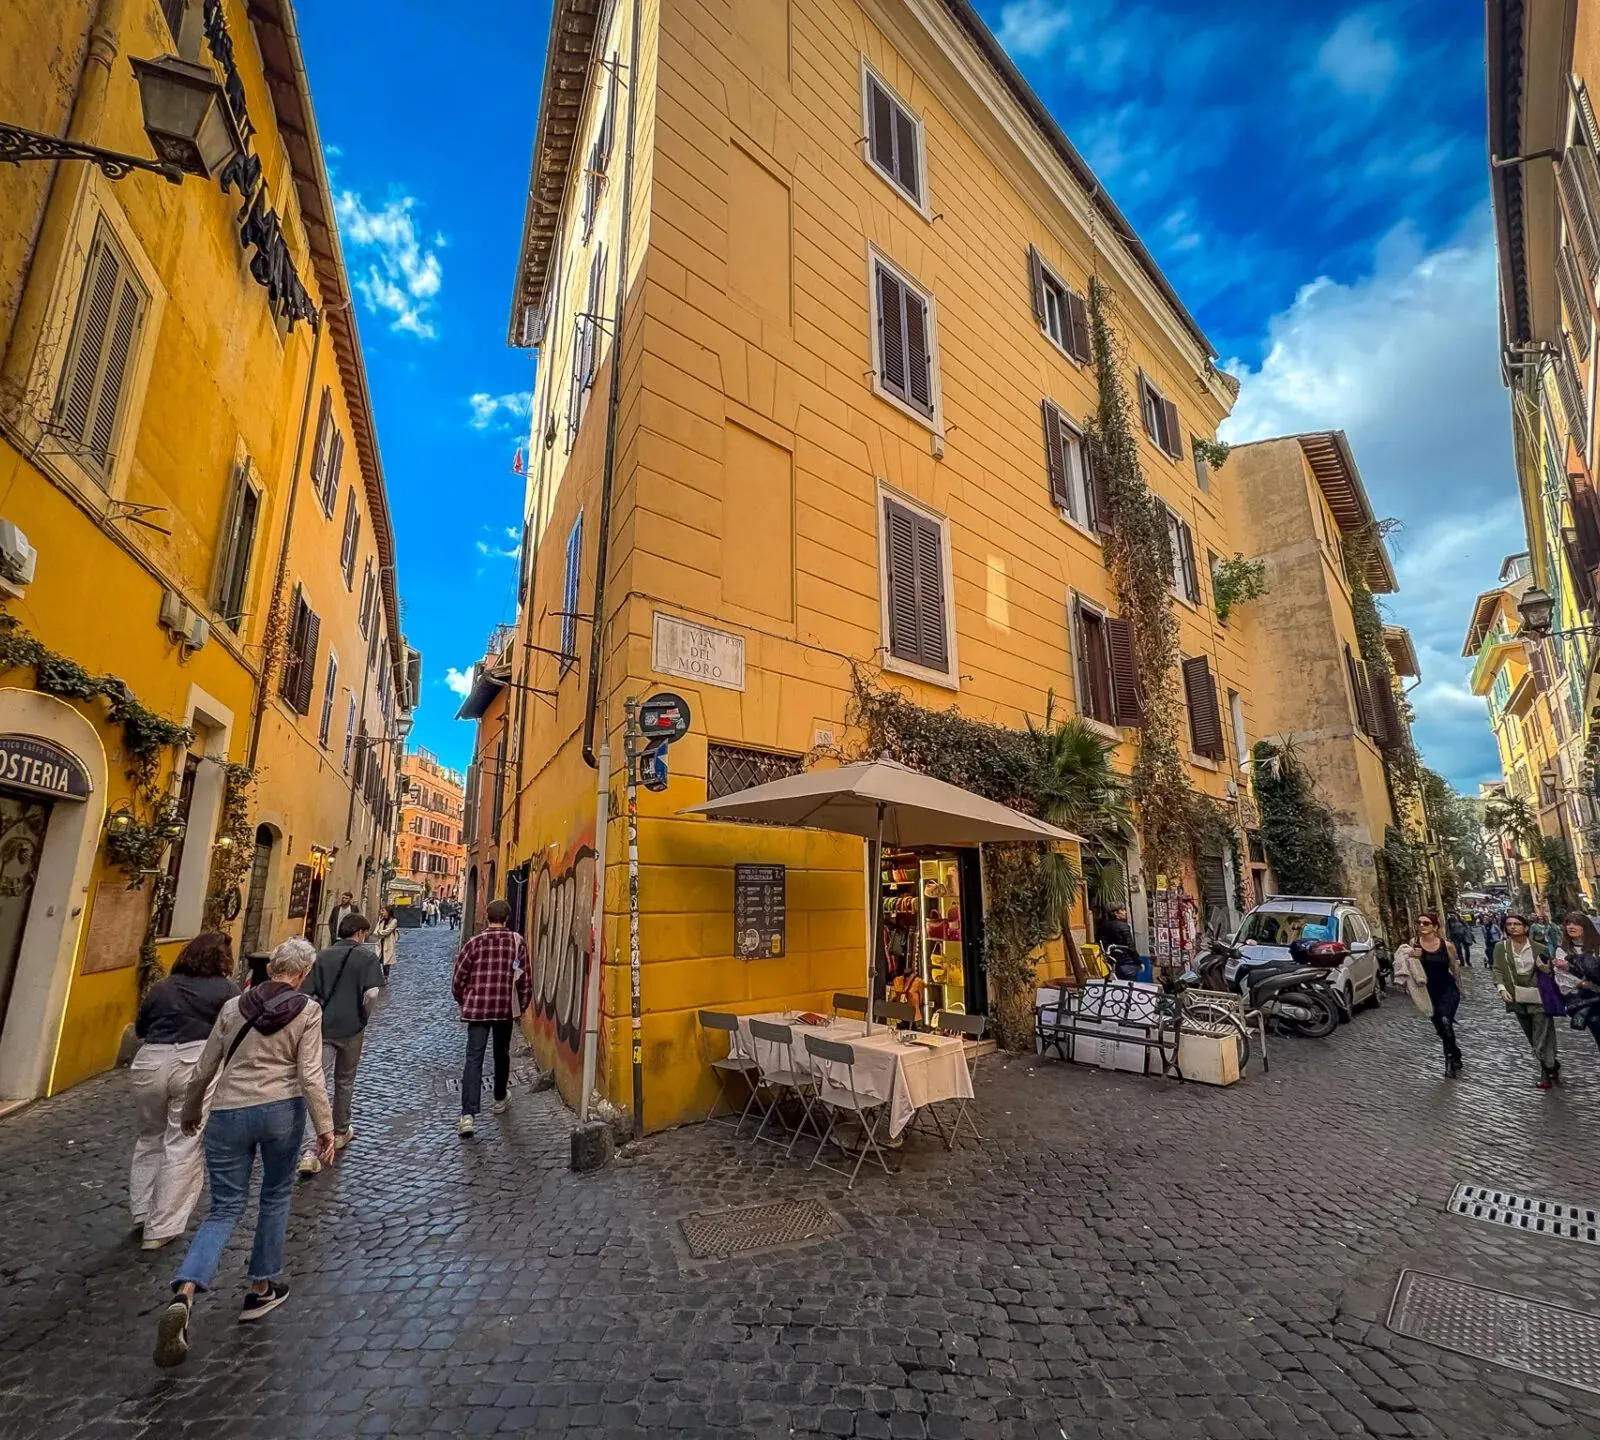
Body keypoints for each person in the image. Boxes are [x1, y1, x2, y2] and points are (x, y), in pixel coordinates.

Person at [153, 937, 333, 1368]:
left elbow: (205, 1067)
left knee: (223, 1208)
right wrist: (325, 1129)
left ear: (272, 969)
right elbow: (310, 1074)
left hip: (229, 1112)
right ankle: (260, 1289)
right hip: (280, 1113)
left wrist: (192, 1111)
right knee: (274, 1197)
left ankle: (186, 1290)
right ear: (303, 973)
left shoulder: (234, 1008)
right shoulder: (307, 1011)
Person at [129, 932, 240, 1249]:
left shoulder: (163, 987)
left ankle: (141, 1210)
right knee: (183, 1141)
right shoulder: (225, 990)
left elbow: (141, 1028)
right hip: (194, 1062)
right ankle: (162, 1225)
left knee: (150, 1136)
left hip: (150, 1062)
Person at [298, 913, 386, 1174]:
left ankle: (310, 1149)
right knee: (345, 1080)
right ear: (359, 933)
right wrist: (363, 1016)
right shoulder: (367, 957)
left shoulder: (321, 956)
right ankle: (339, 1131)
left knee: (317, 1083)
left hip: (323, 1028)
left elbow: (307, 994)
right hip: (352, 1028)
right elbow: (371, 994)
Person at [450, 898, 531, 1136]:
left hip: (478, 1009)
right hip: (504, 1007)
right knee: (501, 1054)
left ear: (487, 916)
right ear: (507, 918)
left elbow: (458, 977)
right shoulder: (517, 943)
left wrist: (462, 1000)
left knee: (473, 1058)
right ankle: (499, 1097)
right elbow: (524, 979)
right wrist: (522, 1007)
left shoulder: (474, 943)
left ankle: (467, 1115)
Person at [1493, 913, 1562, 1089]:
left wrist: (1547, 968)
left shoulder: (1539, 947)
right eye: (1509, 924)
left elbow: (1550, 970)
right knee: (1531, 1034)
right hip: (1516, 995)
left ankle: (1545, 1072)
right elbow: (1498, 970)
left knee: (1541, 1032)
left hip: (1539, 996)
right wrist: (1501, 988)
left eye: (1517, 924)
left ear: (1525, 928)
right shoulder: (1502, 948)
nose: (1512, 927)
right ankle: (1550, 1062)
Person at [1397, 913, 1462, 1077]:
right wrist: (1412, 955)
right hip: (1427, 991)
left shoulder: (1447, 945)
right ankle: (1455, 1051)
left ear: (1435, 926)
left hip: (1447, 989)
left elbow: (1454, 967)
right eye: (1419, 922)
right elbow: (1405, 961)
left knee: (1446, 1020)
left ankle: (1449, 1062)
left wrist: (1460, 988)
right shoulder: (1414, 943)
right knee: (1441, 1028)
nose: (1421, 926)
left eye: (1426, 923)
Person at [372, 905, 399, 975]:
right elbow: (376, 930)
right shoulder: (381, 920)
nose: (381, 912)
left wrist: (379, 932)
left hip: (388, 942)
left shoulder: (393, 920)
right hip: (380, 942)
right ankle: (378, 976)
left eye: (383, 911)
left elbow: (388, 931)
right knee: (378, 959)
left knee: (386, 961)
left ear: (388, 912)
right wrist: (378, 932)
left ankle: (385, 976)